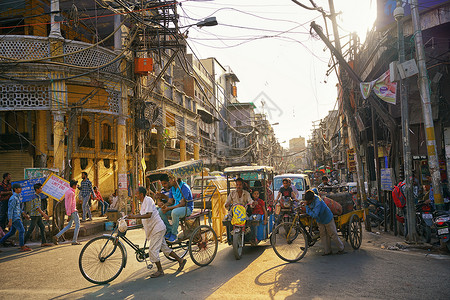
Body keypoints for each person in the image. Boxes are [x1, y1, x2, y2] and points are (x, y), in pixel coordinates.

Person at [128, 186, 186, 278]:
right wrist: (132, 216)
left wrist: (135, 217)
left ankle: (160, 270)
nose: (135, 195)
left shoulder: (148, 200)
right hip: (155, 229)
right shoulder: (143, 203)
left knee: (152, 250)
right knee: (164, 248)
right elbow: (143, 214)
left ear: (141, 194)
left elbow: (148, 215)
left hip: (157, 229)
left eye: (137, 194)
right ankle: (180, 260)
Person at [303, 190, 345, 255]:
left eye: (309, 201)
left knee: (333, 234)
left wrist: (307, 208)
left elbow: (314, 214)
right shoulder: (312, 198)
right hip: (319, 220)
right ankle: (327, 251)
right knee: (323, 235)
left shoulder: (318, 202)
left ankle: (341, 248)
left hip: (327, 218)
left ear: (312, 198)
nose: (308, 202)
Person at [158, 177, 193, 243]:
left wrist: (169, 208)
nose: (169, 181)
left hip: (187, 208)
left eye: (170, 180)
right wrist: (164, 205)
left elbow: (182, 204)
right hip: (176, 207)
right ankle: (169, 230)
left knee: (174, 212)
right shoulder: (172, 189)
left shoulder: (185, 187)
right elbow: (170, 202)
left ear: (175, 180)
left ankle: (174, 234)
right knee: (160, 211)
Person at [0, 183, 32, 251]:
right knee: (22, 230)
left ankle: (1, 242)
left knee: (11, 232)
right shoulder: (13, 198)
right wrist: (10, 220)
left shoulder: (17, 197)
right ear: (15, 189)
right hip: (15, 218)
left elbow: (18, 208)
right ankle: (22, 246)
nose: (21, 189)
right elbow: (10, 210)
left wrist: (24, 214)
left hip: (16, 217)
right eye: (19, 188)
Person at [53, 180, 81, 245]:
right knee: (77, 225)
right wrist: (69, 214)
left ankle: (57, 236)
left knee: (69, 225)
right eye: (76, 185)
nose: (77, 186)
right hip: (73, 211)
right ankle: (74, 240)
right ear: (74, 185)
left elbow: (67, 204)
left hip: (70, 211)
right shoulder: (71, 193)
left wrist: (68, 213)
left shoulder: (68, 191)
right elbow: (69, 204)